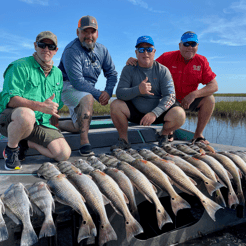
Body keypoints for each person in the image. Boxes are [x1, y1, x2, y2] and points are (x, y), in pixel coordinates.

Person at [127, 31, 218, 144]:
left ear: (197, 46)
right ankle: (167, 131)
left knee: (210, 99)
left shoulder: (202, 61)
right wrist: (136, 61)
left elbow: (214, 86)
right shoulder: (167, 57)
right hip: (168, 101)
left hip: (188, 101)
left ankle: (198, 135)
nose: (189, 47)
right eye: (186, 44)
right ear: (180, 45)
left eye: (193, 44)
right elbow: (148, 66)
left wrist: (194, 94)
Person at [0, 31, 71, 170]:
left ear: (56, 50)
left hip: (40, 123)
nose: (46, 49)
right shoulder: (19, 66)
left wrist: (53, 126)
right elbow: (9, 99)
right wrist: (39, 106)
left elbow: (54, 106)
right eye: (42, 45)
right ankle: (11, 150)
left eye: (51, 47)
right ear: (35, 46)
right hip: (13, 120)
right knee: (27, 115)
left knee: (64, 154)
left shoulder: (57, 74)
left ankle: (25, 143)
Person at [110, 36, 186, 150]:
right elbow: (120, 93)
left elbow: (170, 96)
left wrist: (154, 113)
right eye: (141, 49)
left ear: (154, 52)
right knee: (115, 105)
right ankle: (124, 140)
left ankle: (163, 135)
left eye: (149, 49)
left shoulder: (163, 70)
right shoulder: (128, 69)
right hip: (135, 112)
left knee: (180, 114)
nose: (145, 52)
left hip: (157, 114)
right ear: (136, 53)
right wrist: (138, 90)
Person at [58, 15, 118, 156]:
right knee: (88, 97)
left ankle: (55, 124)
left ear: (97, 33)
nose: (89, 35)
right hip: (68, 87)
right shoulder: (71, 50)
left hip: (86, 91)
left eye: (92, 32)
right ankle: (84, 142)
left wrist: (108, 92)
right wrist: (98, 95)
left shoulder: (102, 50)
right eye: (85, 31)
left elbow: (112, 74)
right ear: (78, 32)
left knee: (79, 125)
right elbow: (77, 81)